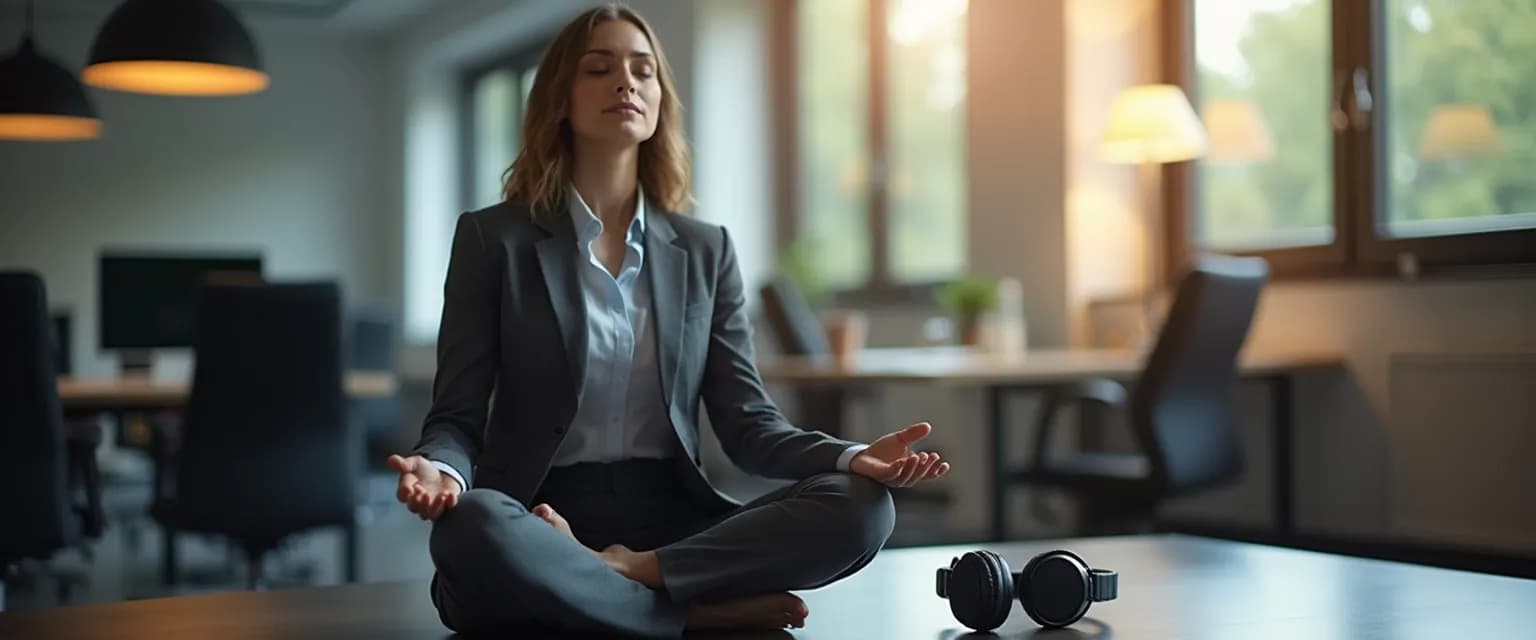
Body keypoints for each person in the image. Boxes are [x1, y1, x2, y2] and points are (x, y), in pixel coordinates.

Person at [387, 4, 949, 636]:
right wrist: (442, 471)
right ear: (560, 101)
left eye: (643, 70)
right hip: (537, 515)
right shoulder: (494, 240)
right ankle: (692, 615)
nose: (625, 82)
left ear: (659, 101)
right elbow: (457, 418)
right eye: (598, 69)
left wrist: (851, 457)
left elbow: (748, 424)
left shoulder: (706, 250)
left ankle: (628, 577)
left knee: (863, 509)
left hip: (675, 520)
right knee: (471, 530)